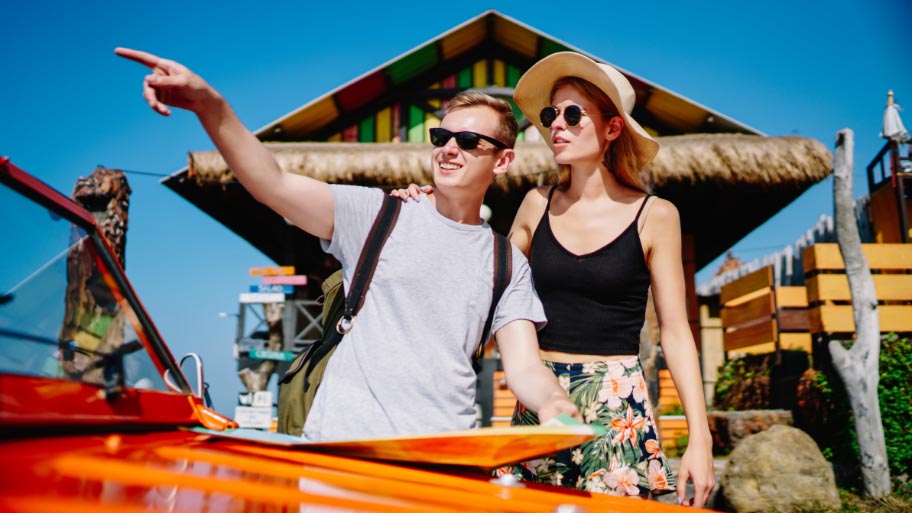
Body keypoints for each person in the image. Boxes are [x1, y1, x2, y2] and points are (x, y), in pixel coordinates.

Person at [115, 48, 580, 442]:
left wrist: (555, 402)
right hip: (341, 449)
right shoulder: (377, 215)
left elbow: (522, 366)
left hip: (443, 453)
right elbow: (271, 183)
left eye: (468, 140)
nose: (448, 149)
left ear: (503, 160)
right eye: (441, 136)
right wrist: (211, 107)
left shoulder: (506, 263)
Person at [393, 52, 715, 507]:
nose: (555, 125)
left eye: (571, 114)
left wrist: (699, 440)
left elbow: (678, 334)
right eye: (550, 115)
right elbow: (480, 280)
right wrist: (430, 208)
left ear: (612, 128)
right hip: (539, 400)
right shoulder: (534, 205)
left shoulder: (656, 216)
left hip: (617, 407)